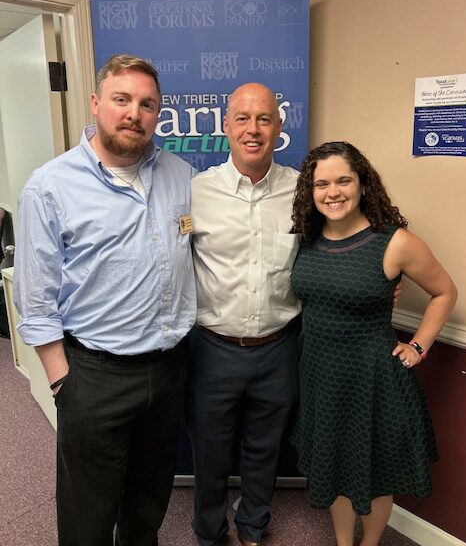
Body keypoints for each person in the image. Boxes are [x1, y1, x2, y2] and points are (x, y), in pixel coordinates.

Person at [13, 54, 196, 546]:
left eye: (147, 104)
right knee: (87, 513)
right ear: (96, 104)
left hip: (168, 368)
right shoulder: (50, 187)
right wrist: (62, 383)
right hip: (94, 376)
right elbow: (34, 298)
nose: (134, 112)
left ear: (159, 113)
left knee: (147, 504)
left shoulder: (182, 176)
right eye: (121, 100)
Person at [290, 141, 457, 546]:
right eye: (322, 183)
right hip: (321, 377)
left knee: (375, 472)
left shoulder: (394, 242)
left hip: (372, 380)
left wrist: (418, 346)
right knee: (333, 468)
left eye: (344, 180)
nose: (333, 192)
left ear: (363, 183)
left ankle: (370, 543)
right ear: (310, 192)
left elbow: (445, 292)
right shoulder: (306, 238)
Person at [187, 82, 302, 546]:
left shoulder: (302, 191)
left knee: (265, 448)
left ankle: (253, 526)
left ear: (279, 126)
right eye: (243, 119)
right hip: (211, 349)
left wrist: (384, 280)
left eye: (264, 119)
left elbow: (345, 236)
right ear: (225, 126)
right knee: (210, 454)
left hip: (280, 347)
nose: (253, 130)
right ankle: (209, 532)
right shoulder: (194, 192)